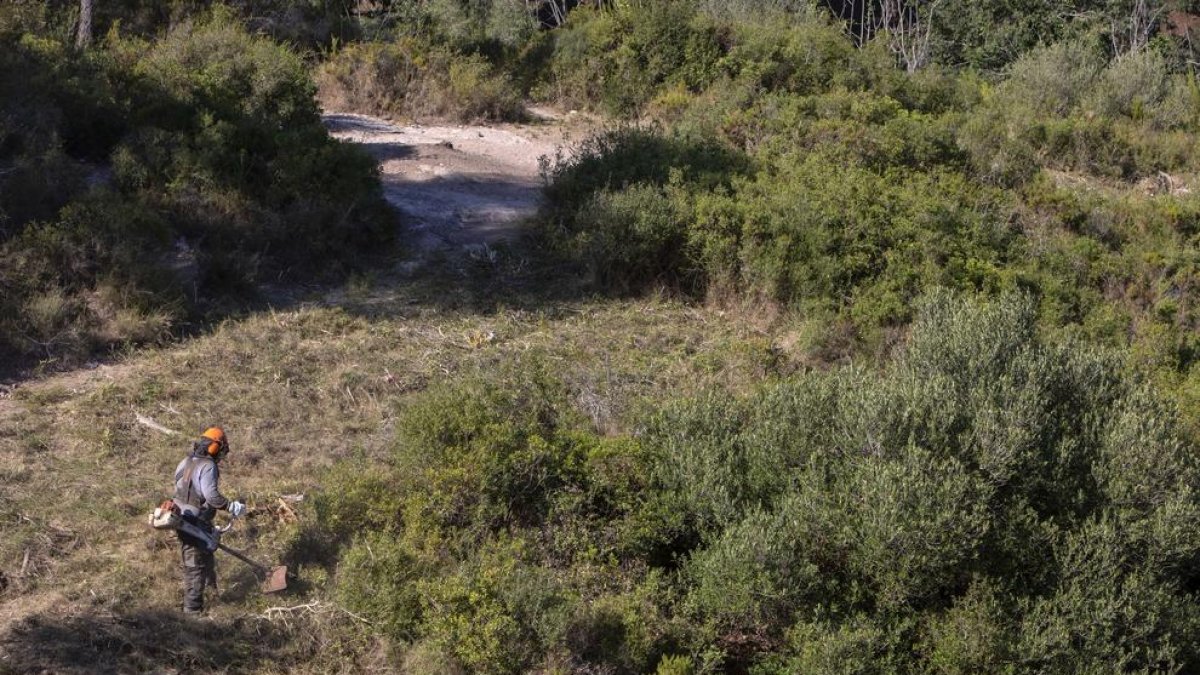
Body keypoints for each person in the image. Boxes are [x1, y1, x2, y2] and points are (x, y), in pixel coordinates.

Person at [172, 426, 245, 614]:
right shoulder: (208, 466)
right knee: (195, 565)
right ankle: (193, 611)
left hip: (182, 518)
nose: (222, 453)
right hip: (195, 521)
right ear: (214, 447)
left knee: (206, 557)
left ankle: (213, 596)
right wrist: (231, 506)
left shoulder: (185, 461)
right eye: (221, 448)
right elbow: (211, 496)